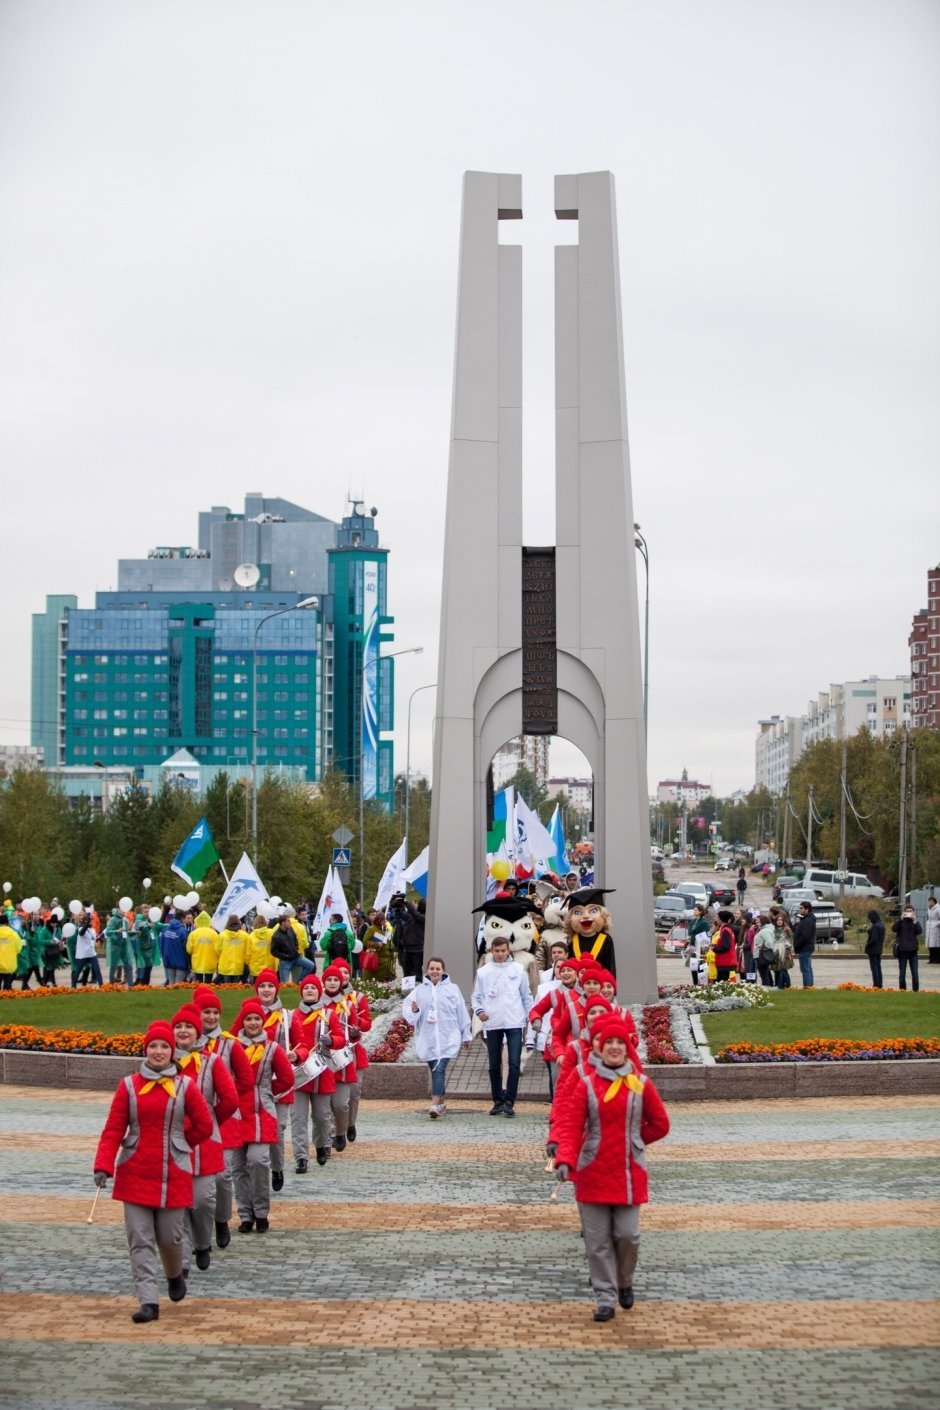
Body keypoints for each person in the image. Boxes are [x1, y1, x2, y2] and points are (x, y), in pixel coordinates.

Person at [92, 1020, 214, 1323]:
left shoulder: (185, 1085)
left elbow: (204, 1125)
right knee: (140, 1239)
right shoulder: (129, 1086)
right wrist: (103, 1164)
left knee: (171, 1238)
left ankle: (174, 1275)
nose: (158, 1051)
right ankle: (148, 1301)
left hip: (173, 1173)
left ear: (172, 1052)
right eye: (153, 1046)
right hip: (135, 1171)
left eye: (163, 1046)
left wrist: (182, 1143)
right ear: (145, 1050)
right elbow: (113, 1129)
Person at [553, 1015, 670, 1322]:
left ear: (627, 1048)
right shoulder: (586, 1084)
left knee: (628, 1235)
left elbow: (660, 1124)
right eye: (609, 1043)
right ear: (600, 1049)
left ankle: (625, 1281)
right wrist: (565, 1158)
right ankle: (605, 1297)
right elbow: (571, 1126)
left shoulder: (641, 1084)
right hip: (592, 1171)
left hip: (630, 1172)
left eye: (620, 1042)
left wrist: (635, 1141)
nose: (615, 1047)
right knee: (598, 1241)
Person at [171, 1004, 239, 1276]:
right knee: (178, 1205)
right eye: (179, 1026)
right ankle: (182, 1264)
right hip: (173, 1145)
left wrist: (210, 1123)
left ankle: (203, 1242)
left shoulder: (211, 1062)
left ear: (198, 1032)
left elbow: (230, 1100)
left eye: (189, 1027)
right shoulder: (164, 1062)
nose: (184, 1031)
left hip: (205, 1143)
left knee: (202, 1201)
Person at [192, 985, 253, 1249]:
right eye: (206, 1012)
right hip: (190, 1121)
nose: (212, 1017)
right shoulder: (182, 1044)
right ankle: (195, 1228)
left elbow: (246, 1079)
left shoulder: (229, 1043)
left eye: (216, 1012)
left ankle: (221, 1219)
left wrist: (224, 1097)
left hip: (224, 1117)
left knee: (222, 1176)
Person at [231, 998, 294, 1233]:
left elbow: (287, 1078)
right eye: (249, 1019)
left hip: (261, 1113)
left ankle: (261, 1212)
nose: (253, 1023)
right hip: (236, 1113)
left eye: (257, 1018)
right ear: (243, 1021)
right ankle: (245, 1215)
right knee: (237, 1167)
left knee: (258, 1161)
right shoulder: (232, 1047)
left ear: (263, 1021)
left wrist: (266, 1092)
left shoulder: (271, 1048)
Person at [289, 973, 347, 1170]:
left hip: (322, 1073)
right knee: (298, 1118)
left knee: (322, 1117)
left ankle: (323, 1145)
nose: (310, 991)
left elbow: (341, 1038)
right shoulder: (292, 1015)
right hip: (298, 1074)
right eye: (306, 988)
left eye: (313, 988)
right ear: (302, 991)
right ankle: (301, 1157)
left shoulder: (329, 1015)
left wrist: (331, 1041)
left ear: (319, 991)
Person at [471, 933, 531, 1118]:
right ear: (492, 951)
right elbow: (476, 997)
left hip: (514, 1020)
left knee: (514, 1062)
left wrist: (531, 1016)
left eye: (503, 950)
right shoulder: (483, 972)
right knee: (494, 1063)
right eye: (496, 951)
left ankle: (510, 1101)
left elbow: (526, 996)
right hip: (493, 1021)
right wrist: (480, 1011)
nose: (500, 954)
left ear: (508, 951)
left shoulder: (518, 970)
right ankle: (497, 1100)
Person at [404, 956, 472, 1117]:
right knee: (435, 1070)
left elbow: (462, 1012)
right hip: (428, 1038)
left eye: (438, 969)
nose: (435, 971)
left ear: (443, 971)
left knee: (439, 1069)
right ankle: (441, 1104)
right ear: (427, 971)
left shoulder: (453, 989)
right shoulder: (419, 991)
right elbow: (410, 1013)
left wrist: (466, 1035)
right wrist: (414, 1010)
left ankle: (434, 1104)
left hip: (448, 1037)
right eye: (432, 968)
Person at [393, 896, 426, 979]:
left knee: (416, 973)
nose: (417, 905)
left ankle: (417, 988)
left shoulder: (424, 918)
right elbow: (404, 915)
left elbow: (415, 914)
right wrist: (398, 907)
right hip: (407, 949)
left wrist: (406, 902)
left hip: (418, 950)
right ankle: (407, 990)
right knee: (407, 975)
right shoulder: (411, 918)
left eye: (418, 903)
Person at [893, 905, 922, 992]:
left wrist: (914, 920)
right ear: (904, 912)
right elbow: (894, 929)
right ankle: (902, 989)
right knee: (902, 973)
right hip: (902, 950)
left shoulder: (915, 922)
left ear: (913, 912)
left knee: (915, 972)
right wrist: (901, 919)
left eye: (910, 911)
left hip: (913, 951)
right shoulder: (901, 922)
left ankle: (915, 990)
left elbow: (919, 931)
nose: (909, 913)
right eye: (907, 911)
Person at [186, 912, 219, 985]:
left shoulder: (193, 934)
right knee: (208, 982)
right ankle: (208, 994)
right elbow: (218, 949)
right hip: (210, 961)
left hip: (197, 961)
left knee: (198, 981)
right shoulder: (214, 933)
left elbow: (189, 950)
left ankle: (199, 994)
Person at [160, 910, 190, 985]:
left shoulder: (165, 930)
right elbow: (186, 948)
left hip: (168, 959)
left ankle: (169, 996)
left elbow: (161, 944)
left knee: (171, 982)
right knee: (178, 984)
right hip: (180, 961)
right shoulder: (183, 931)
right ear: (183, 919)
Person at [215, 915, 248, 984]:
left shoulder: (222, 935)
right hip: (238, 965)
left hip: (225, 965)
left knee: (227, 987)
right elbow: (247, 950)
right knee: (236, 987)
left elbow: (217, 950)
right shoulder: (244, 935)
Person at [792, 902, 817, 988]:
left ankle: (807, 986)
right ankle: (810, 986)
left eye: (801, 908)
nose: (800, 909)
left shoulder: (808, 921)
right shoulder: (806, 919)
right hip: (806, 948)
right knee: (807, 968)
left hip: (805, 948)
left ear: (807, 909)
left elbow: (805, 936)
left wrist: (797, 944)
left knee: (805, 969)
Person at [75, 916, 103, 987]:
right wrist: (86, 924)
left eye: (91, 921)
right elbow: (81, 933)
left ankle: (101, 986)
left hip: (91, 953)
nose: (91, 923)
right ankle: (73, 986)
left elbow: (93, 939)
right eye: (89, 922)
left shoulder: (92, 929)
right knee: (78, 971)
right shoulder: (81, 928)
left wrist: (98, 939)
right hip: (83, 954)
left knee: (97, 969)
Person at [711, 909, 738, 982]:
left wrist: (714, 949)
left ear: (721, 919)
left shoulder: (725, 930)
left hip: (725, 962)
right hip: (726, 962)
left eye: (717, 918)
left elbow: (726, 946)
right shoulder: (727, 929)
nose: (716, 919)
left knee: (720, 984)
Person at [753, 914, 777, 989]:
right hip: (760, 954)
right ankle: (769, 986)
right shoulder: (764, 930)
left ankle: (766, 987)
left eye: (758, 922)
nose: (756, 923)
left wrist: (761, 945)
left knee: (763, 974)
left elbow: (769, 943)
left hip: (761, 955)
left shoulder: (765, 931)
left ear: (763, 922)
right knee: (766, 973)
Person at [0, 914, 24, 990]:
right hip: (10, 964)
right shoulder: (14, 934)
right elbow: (19, 948)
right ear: (8, 923)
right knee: (7, 985)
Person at [864, 909, 885, 989]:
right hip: (879, 949)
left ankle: (876, 984)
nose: (870, 920)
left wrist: (867, 945)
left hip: (873, 950)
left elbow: (874, 939)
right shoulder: (881, 924)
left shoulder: (876, 926)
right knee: (878, 967)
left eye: (870, 918)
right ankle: (879, 983)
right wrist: (869, 931)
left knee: (874, 968)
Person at [772, 912, 793, 989]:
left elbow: (790, 940)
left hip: (784, 951)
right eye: (778, 920)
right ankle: (777, 985)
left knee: (783, 969)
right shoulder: (773, 929)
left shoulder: (787, 929)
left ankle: (787, 985)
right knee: (776, 969)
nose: (779, 921)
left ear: (784, 921)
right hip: (775, 950)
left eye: (781, 920)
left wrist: (787, 950)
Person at [925, 896, 940, 965]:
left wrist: (937, 924)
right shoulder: (929, 909)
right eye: (929, 901)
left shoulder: (938, 908)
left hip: (936, 928)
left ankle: (936, 959)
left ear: (934, 902)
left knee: (936, 945)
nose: (930, 903)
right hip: (930, 927)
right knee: (930, 945)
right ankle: (931, 959)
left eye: (931, 901)